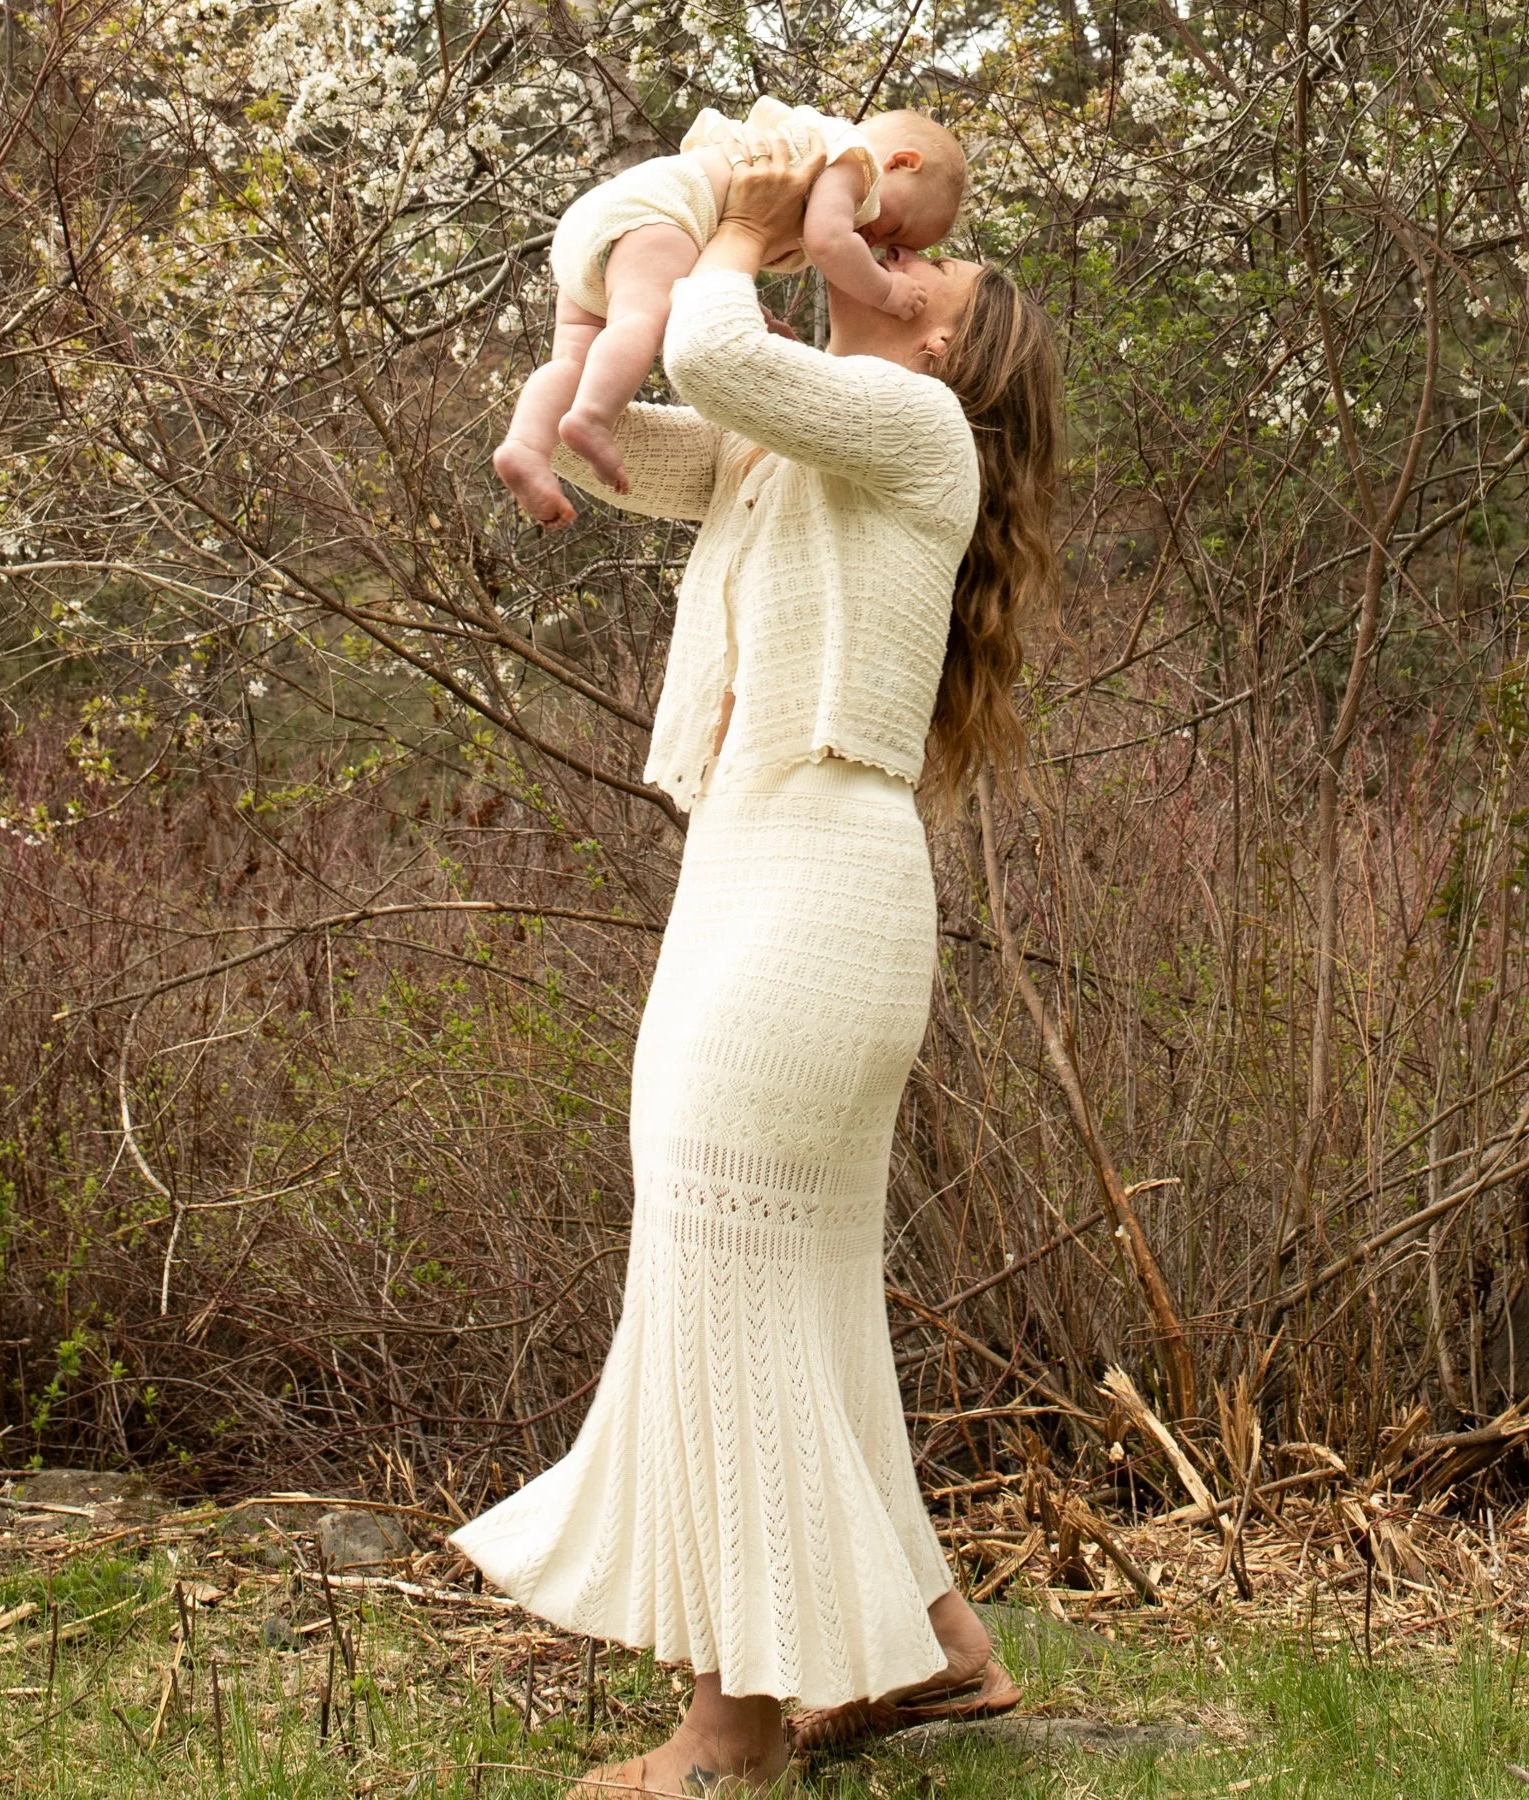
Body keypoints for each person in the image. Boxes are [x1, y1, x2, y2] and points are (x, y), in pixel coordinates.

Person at [454, 126, 1061, 1795]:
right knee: (774, 1284)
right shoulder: (786, 439)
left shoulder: (917, 427)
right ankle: (932, 1644)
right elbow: (637, 444)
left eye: (922, 265)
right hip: (748, 861)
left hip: (822, 883)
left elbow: (721, 343)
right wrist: (608, 296)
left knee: (720, 1266)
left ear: (940, 341)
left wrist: (737, 225)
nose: (885, 252)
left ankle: (728, 1736)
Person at [492, 98, 969, 523]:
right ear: (901, 162)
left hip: (600, 225)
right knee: (639, 319)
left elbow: (708, 274)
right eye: (897, 230)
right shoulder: (850, 160)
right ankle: (592, 415)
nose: (880, 245)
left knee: (572, 362)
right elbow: (828, 242)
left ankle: (526, 444)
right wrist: (886, 292)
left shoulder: (920, 430)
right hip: (657, 215)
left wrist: (751, 317)